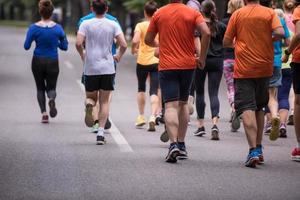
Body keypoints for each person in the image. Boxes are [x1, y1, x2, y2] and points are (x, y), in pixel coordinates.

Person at [145, 0, 211, 163]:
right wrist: (201, 58)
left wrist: (161, 44)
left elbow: (147, 39)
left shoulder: (159, 14)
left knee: (170, 106)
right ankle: (181, 145)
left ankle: (173, 144)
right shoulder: (193, 12)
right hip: (188, 65)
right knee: (182, 104)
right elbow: (207, 33)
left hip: (167, 66)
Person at [223, 0, 284, 168]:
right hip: (265, 67)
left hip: (244, 69)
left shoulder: (237, 14)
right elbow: (280, 32)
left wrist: (240, 44)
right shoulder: (269, 13)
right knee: (259, 106)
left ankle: (253, 151)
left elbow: (226, 41)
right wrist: (268, 39)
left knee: (247, 107)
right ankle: (259, 148)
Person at [76, 0, 127, 145]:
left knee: (91, 97)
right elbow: (123, 44)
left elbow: (78, 43)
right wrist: (118, 56)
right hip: (108, 68)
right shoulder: (113, 24)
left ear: (92, 8)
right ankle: (100, 133)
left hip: (90, 67)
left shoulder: (85, 24)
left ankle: (90, 105)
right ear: (106, 9)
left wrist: (83, 55)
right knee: (105, 101)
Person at [24, 0, 68, 123]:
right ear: (52, 12)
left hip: (37, 60)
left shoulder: (33, 28)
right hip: (53, 61)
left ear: (40, 11)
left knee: (40, 88)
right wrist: (56, 43)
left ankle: (44, 114)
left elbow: (26, 46)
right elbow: (65, 47)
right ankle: (51, 99)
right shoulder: (58, 28)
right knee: (51, 87)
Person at [193, 0, 226, 140]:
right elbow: (227, 43)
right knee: (214, 93)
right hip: (217, 61)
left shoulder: (198, 26)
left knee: (199, 92)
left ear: (201, 10)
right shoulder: (221, 26)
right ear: (214, 10)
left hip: (201, 60)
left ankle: (200, 125)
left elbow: (195, 43)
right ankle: (214, 124)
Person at [260, 1, 291, 142]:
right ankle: (275, 115)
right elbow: (288, 42)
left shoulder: (258, 18)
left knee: (262, 94)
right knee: (273, 95)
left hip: (260, 60)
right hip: (277, 62)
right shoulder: (279, 19)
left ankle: (267, 122)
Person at [132, 1, 160, 132]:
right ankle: (153, 117)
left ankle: (141, 116)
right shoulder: (159, 24)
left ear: (145, 12)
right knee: (154, 90)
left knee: (141, 88)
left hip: (142, 61)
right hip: (156, 61)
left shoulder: (140, 25)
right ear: (156, 12)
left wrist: (134, 49)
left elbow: (135, 40)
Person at [282, 0, 300, 162]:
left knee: (298, 100)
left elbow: (298, 34)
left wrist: (288, 52)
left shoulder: (299, 10)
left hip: (299, 59)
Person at [222, 0, 244, 132]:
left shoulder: (224, 22)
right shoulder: (244, 21)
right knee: (240, 86)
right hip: (241, 59)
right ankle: (239, 107)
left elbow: (223, 41)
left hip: (227, 59)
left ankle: (233, 107)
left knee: (230, 87)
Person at [283, 0, 296, 126]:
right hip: (295, 52)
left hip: (284, 54)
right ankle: (292, 111)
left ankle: (280, 112)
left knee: (282, 89)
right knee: (292, 87)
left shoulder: (281, 18)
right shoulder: (296, 17)